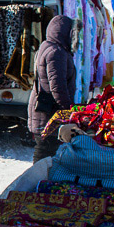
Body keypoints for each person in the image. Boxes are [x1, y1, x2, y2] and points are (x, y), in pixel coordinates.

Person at [28, 15, 76, 162]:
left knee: (44, 150)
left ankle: (38, 182)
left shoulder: (46, 46)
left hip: (43, 107)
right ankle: (37, 183)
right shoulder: (57, 52)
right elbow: (57, 87)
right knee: (45, 152)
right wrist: (69, 110)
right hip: (49, 112)